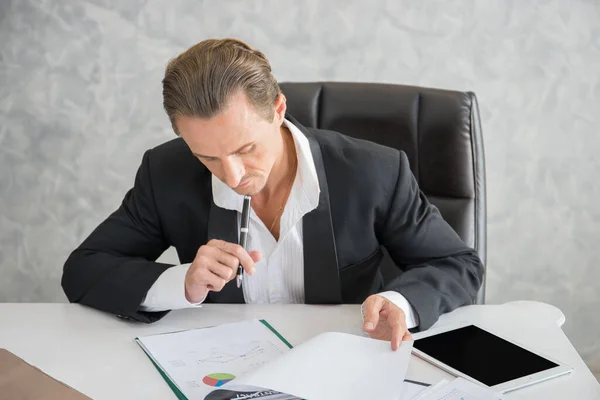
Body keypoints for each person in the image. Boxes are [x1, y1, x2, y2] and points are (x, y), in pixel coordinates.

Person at [61, 38, 484, 351]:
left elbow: (457, 263)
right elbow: (83, 269)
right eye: (208, 156)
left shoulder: (376, 171)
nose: (233, 174)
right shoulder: (165, 172)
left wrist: (401, 301)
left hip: (346, 365)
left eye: (246, 148)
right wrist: (181, 282)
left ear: (278, 110)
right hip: (222, 370)